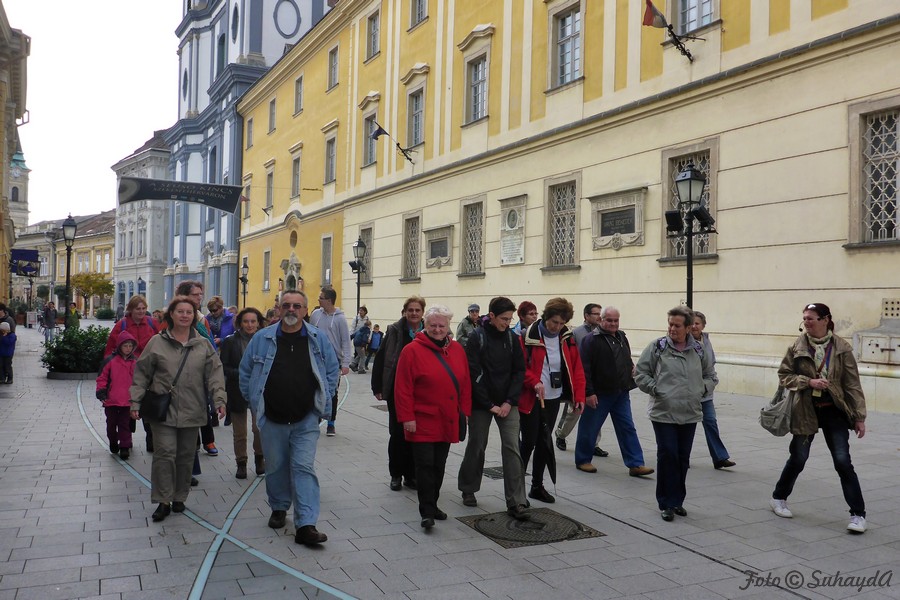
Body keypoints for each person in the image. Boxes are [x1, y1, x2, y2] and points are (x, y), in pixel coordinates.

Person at [239, 290, 339, 546]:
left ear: (305, 310)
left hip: (306, 418)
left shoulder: (317, 338)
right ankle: (279, 506)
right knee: (276, 466)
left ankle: (306, 524)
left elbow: (331, 370)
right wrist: (254, 402)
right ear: (279, 309)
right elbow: (246, 372)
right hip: (272, 417)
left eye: (297, 306)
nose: (291, 310)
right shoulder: (262, 338)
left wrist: (322, 401)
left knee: (303, 467)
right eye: (286, 305)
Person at [770, 303, 868, 533]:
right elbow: (784, 375)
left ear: (825, 320)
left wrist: (859, 416)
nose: (806, 322)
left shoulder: (841, 348)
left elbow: (852, 384)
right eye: (804, 318)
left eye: (811, 318)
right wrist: (808, 382)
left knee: (843, 462)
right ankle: (778, 498)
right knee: (798, 458)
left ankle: (858, 515)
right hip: (805, 409)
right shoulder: (797, 346)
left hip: (834, 410)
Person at [130, 296, 227, 522]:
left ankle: (179, 496)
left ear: (194, 316)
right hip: (163, 410)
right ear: (171, 315)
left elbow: (215, 373)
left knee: (185, 456)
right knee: (164, 454)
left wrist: (220, 400)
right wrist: (135, 402)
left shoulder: (202, 344)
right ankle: (163, 500)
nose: (184, 315)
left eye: (189, 312)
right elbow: (141, 373)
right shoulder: (157, 342)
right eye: (180, 311)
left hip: (193, 408)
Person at [635, 306, 716, 522]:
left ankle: (678, 500)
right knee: (668, 454)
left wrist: (701, 389)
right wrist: (656, 389)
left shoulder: (699, 350)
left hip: (690, 412)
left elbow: (711, 376)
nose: (672, 329)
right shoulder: (658, 347)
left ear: (688, 328)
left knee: (682, 457)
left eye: (677, 325)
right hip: (663, 411)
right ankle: (665, 503)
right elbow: (640, 373)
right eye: (670, 324)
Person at [394, 305, 472, 529]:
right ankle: (427, 511)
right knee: (425, 466)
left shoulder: (457, 350)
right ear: (425, 325)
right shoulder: (411, 350)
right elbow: (403, 388)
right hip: (422, 419)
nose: (437, 329)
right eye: (433, 325)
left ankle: (434, 504)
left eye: (442, 325)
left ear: (448, 327)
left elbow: (465, 383)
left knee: (439, 464)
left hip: (447, 418)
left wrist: (464, 412)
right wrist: (407, 417)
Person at [458, 296, 530, 520]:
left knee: (512, 447)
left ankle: (516, 501)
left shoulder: (512, 338)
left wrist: (509, 401)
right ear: (491, 316)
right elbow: (473, 373)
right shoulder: (477, 337)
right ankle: (468, 487)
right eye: (503, 319)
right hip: (482, 403)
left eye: (509, 319)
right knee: (477, 444)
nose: (507, 323)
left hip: (508, 402)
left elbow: (519, 371)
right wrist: (489, 404)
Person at [519, 298, 585, 503]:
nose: (557, 327)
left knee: (544, 442)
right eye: (554, 322)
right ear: (546, 317)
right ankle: (516, 490)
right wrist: (534, 382)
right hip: (532, 397)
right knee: (528, 442)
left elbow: (576, 367)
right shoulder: (527, 337)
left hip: (553, 397)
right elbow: (519, 367)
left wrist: (579, 395)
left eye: (561, 323)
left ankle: (537, 486)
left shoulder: (566, 338)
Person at [576, 306, 654, 478]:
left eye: (616, 320)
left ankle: (635, 464)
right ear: (601, 320)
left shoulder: (621, 336)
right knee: (590, 427)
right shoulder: (591, 340)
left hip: (621, 392)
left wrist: (630, 369)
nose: (613, 324)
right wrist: (588, 392)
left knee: (627, 427)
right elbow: (584, 369)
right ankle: (583, 460)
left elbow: (625, 357)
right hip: (599, 393)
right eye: (609, 320)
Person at [372, 296, 426, 490]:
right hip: (397, 389)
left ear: (423, 312)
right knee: (397, 433)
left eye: (417, 310)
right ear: (405, 312)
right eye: (410, 310)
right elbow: (381, 358)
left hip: (421, 392)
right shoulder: (395, 330)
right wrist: (377, 387)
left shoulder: (429, 331)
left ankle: (411, 475)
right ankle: (396, 474)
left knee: (415, 434)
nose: (414, 313)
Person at [172, 280, 218, 456]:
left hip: (200, 368)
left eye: (201, 294)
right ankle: (194, 442)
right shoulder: (172, 316)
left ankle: (208, 440)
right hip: (179, 369)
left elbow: (210, 344)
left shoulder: (201, 319)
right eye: (195, 294)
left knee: (203, 404)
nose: (200, 297)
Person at [220, 307, 266, 479]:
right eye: (246, 321)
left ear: (258, 323)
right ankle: (241, 462)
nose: (249, 325)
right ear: (240, 323)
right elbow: (223, 366)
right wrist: (241, 373)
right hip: (237, 389)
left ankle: (260, 459)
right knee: (240, 432)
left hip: (259, 391)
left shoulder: (265, 340)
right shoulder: (230, 341)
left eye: (253, 321)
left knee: (258, 428)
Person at [557, 303, 606, 456]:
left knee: (595, 413)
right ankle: (561, 435)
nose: (599, 317)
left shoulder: (602, 332)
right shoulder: (576, 333)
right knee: (573, 412)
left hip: (596, 380)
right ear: (586, 316)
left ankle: (594, 443)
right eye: (595, 314)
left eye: (600, 313)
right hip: (579, 379)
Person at [691, 311, 735, 469]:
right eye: (692, 323)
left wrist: (708, 385)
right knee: (687, 427)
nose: (694, 326)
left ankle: (719, 457)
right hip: (689, 392)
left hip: (705, 392)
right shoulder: (684, 341)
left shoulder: (706, 341)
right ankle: (682, 458)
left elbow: (711, 364)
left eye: (697, 323)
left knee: (710, 422)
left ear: (703, 325)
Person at [309, 287, 351, 436]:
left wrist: (346, 363)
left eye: (321, 298)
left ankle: (331, 423)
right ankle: (315, 418)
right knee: (314, 389)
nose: (318, 300)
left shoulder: (340, 319)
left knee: (332, 391)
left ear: (329, 300)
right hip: (315, 358)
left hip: (333, 361)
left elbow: (346, 341)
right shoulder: (316, 314)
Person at [96, 332, 138, 459]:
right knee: (111, 424)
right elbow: (102, 378)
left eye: (130, 346)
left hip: (127, 400)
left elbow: (138, 380)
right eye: (125, 346)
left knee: (125, 424)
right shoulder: (110, 361)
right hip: (111, 400)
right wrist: (101, 392)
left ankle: (125, 446)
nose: (128, 349)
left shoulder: (135, 362)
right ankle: (113, 441)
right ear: (119, 346)